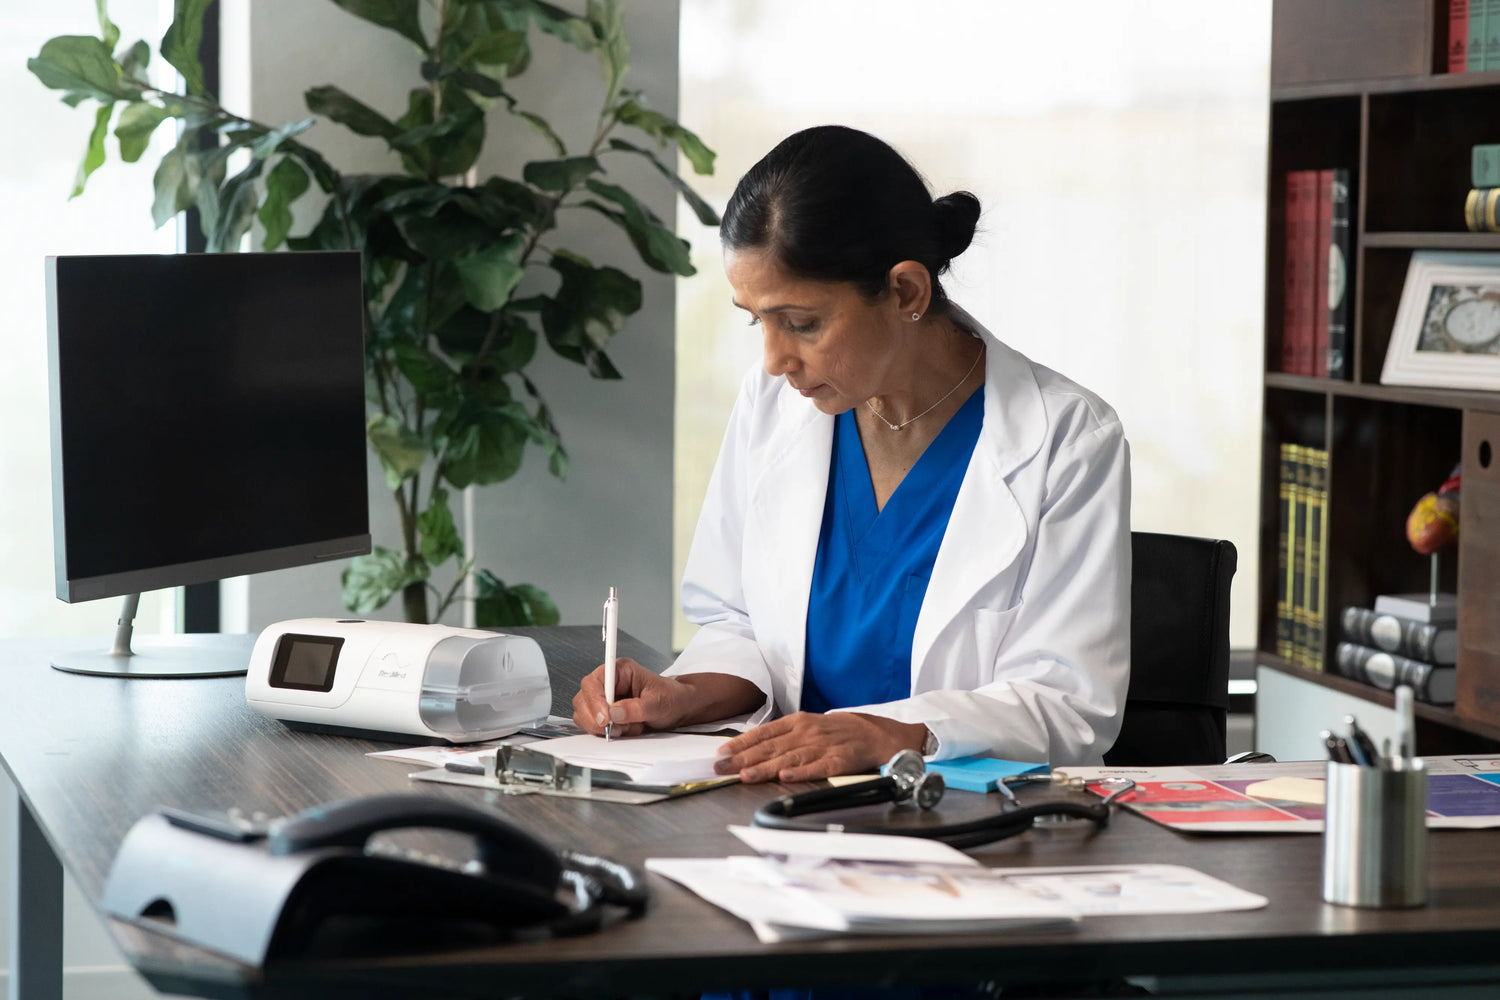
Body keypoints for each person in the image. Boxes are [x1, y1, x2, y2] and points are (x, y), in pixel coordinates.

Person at [573, 124, 1131, 783]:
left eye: (801, 323)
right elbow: (737, 620)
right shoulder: (774, 403)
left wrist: (890, 734)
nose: (775, 360)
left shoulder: (1069, 437)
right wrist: (689, 693)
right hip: (782, 809)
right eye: (758, 320)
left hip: (967, 821)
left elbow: (1069, 703)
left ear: (905, 293)